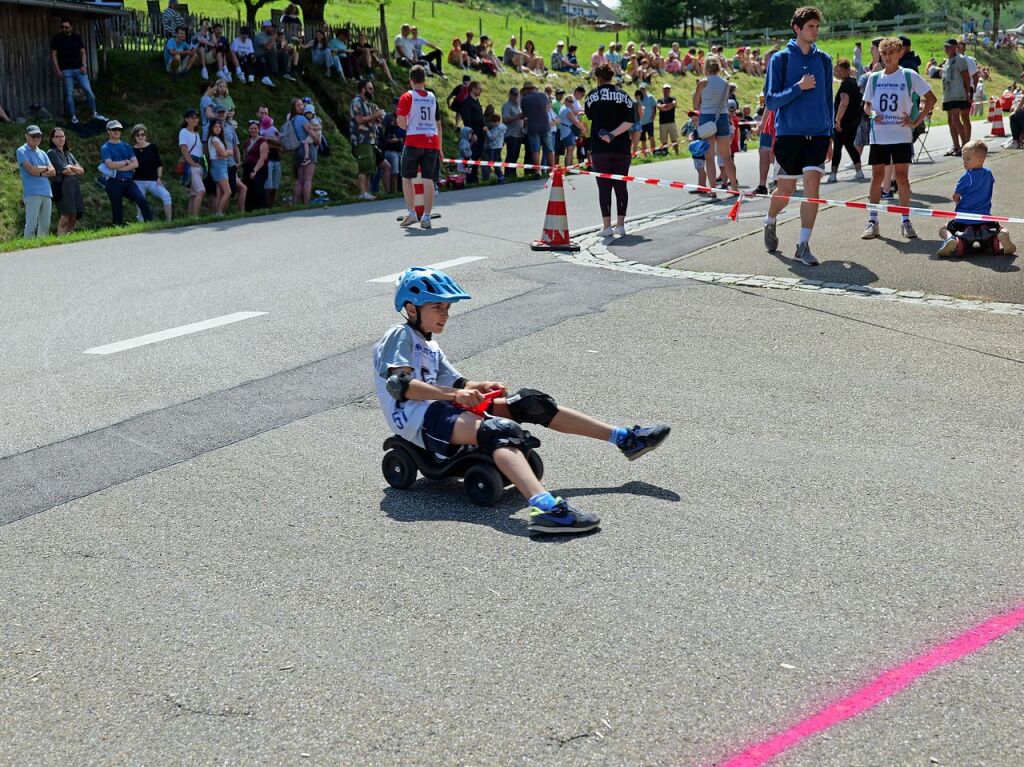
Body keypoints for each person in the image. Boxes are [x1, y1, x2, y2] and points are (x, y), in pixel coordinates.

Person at [375, 266, 671, 535]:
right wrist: (456, 395)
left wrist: (481, 385)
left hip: (442, 408)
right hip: (417, 418)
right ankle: (544, 510)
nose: (444, 314)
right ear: (411, 308)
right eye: (436, 307)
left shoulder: (429, 344)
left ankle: (624, 439)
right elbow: (401, 386)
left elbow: (458, 383)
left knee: (531, 402)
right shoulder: (399, 335)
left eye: (447, 308)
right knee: (499, 431)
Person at [762, 6, 834, 267]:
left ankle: (803, 245)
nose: (815, 31)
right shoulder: (780, 59)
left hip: (818, 135)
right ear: (797, 28)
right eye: (810, 27)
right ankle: (770, 220)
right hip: (789, 134)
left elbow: (828, 100)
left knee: (812, 190)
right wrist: (798, 87)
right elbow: (771, 101)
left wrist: (830, 136)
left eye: (817, 26)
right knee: (787, 189)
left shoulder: (824, 59)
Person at [859, 37, 935, 241]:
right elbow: (866, 105)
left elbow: (931, 98)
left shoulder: (908, 75)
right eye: (884, 53)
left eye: (892, 52)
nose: (888, 57)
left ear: (900, 53)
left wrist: (916, 119)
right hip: (879, 136)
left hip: (901, 135)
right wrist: (873, 115)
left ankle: (905, 221)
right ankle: (872, 221)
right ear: (880, 55)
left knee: (902, 178)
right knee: (877, 178)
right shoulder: (874, 78)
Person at [936, 140, 1015, 256]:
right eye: (963, 158)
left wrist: (957, 202)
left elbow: (955, 196)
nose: (964, 162)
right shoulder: (988, 174)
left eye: (968, 158)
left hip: (963, 219)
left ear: (980, 159)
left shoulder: (967, 176)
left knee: (943, 229)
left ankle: (949, 239)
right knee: (1001, 227)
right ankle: (1004, 235)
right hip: (984, 218)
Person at [585, 63, 635, 238]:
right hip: (621, 147)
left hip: (599, 149)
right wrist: (613, 134)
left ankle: (606, 226)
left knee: (603, 187)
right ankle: (620, 225)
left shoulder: (591, 96)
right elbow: (630, 121)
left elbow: (590, 115)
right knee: (621, 186)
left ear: (598, 78)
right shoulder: (624, 95)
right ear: (611, 76)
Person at [396, 65, 442, 228]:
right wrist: (440, 147)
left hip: (414, 140)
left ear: (411, 80)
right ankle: (427, 216)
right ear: (424, 80)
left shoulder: (407, 96)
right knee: (428, 178)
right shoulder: (432, 97)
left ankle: (411, 212)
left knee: (407, 176)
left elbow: (401, 121)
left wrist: (410, 126)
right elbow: (438, 124)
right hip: (432, 140)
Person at [693, 58, 737, 198]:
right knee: (726, 155)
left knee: (709, 157)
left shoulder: (702, 83)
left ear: (705, 67)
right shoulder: (725, 83)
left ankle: (713, 189)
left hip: (706, 117)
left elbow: (695, 103)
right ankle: (734, 187)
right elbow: (724, 102)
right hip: (722, 117)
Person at [50, 18, 104, 125]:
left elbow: (83, 52)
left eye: (66, 27)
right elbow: (54, 55)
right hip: (66, 70)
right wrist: (57, 69)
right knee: (69, 94)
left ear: (71, 27)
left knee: (88, 91)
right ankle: (73, 117)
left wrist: (84, 65)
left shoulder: (76, 37)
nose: (64, 29)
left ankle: (94, 113)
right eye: (62, 27)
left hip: (79, 69)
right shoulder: (57, 39)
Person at [100, 119, 153, 226]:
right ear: (108, 131)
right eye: (114, 129)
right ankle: (117, 230)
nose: (117, 131)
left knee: (141, 200)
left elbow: (135, 164)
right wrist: (125, 162)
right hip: (113, 182)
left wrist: (120, 168)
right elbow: (110, 165)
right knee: (117, 209)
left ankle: (151, 224)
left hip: (128, 181)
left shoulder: (126, 146)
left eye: (119, 129)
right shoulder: (105, 148)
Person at [827, 58, 865, 183]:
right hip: (853, 121)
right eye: (835, 71)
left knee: (837, 147)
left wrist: (837, 120)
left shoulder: (846, 86)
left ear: (846, 71)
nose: (836, 73)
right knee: (849, 145)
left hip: (844, 122)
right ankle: (859, 171)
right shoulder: (853, 83)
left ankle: (833, 174)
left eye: (839, 71)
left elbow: (844, 103)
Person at [17, 125, 55, 239]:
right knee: (31, 224)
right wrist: (43, 171)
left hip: (47, 192)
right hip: (32, 192)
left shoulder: (43, 152)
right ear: (26, 136)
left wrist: (39, 171)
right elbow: (31, 170)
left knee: (45, 225)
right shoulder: (21, 150)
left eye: (38, 136)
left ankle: (41, 250)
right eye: (33, 136)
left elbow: (53, 171)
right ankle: (27, 249)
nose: (36, 138)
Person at [130, 123, 172, 222]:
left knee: (166, 196)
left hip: (153, 180)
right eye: (138, 135)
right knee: (139, 202)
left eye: (142, 134)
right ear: (134, 137)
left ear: (146, 135)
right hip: (138, 181)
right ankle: (141, 224)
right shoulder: (131, 150)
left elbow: (159, 164)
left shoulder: (153, 147)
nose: (140, 136)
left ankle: (169, 221)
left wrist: (159, 177)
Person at [46, 127, 85, 235]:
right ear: (52, 139)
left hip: (74, 187)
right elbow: (65, 170)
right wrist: (72, 169)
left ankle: (71, 240)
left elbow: (81, 171)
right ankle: (60, 239)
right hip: (62, 188)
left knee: (74, 215)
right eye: (57, 137)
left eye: (62, 136)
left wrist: (71, 167)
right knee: (65, 216)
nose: (60, 139)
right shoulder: (51, 153)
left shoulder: (69, 154)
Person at [350, 81, 385, 201]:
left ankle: (367, 192)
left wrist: (378, 118)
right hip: (361, 139)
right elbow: (359, 120)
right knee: (364, 166)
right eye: (370, 88)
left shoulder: (368, 104)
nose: (372, 91)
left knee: (370, 167)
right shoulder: (356, 102)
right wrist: (375, 116)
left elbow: (370, 120)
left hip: (370, 139)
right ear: (363, 89)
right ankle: (362, 192)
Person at [941, 38, 973, 156]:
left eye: (949, 46)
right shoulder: (947, 61)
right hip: (948, 94)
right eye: (945, 47)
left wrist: (968, 93)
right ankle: (956, 145)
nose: (946, 49)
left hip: (957, 93)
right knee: (950, 120)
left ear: (955, 47)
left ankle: (965, 146)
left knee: (956, 119)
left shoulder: (960, 59)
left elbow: (966, 77)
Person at [217, 104, 247, 213]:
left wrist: (238, 161)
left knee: (232, 189)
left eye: (223, 113)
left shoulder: (230, 127)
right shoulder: (212, 127)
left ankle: (239, 213)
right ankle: (220, 214)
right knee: (222, 190)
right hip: (219, 162)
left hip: (230, 163)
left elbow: (235, 146)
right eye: (219, 113)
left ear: (226, 114)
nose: (221, 115)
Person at [178, 109, 206, 216]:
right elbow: (184, 150)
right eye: (193, 117)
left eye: (197, 118)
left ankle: (189, 218)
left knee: (194, 194)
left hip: (198, 163)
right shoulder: (184, 132)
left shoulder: (196, 134)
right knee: (201, 191)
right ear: (187, 119)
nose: (195, 120)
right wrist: (192, 163)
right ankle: (195, 217)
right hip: (192, 165)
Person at [520, 81, 552, 171]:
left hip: (533, 127)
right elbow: (547, 108)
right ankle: (552, 170)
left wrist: (518, 116)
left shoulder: (524, 100)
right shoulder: (543, 95)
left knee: (535, 150)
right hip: (545, 125)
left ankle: (537, 171)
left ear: (526, 90)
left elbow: (524, 114)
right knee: (549, 149)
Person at [458, 81, 486, 183]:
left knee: (477, 155)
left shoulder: (477, 101)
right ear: (473, 89)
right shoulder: (467, 102)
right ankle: (470, 178)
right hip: (473, 132)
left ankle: (475, 176)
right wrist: (472, 133)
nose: (480, 90)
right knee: (471, 155)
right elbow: (467, 119)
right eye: (479, 88)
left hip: (481, 132)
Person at [242, 120, 269, 210]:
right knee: (248, 188)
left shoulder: (262, 141)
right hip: (248, 167)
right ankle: (249, 209)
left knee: (258, 186)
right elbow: (245, 156)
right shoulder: (247, 142)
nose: (253, 130)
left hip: (259, 168)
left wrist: (255, 170)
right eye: (251, 128)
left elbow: (263, 157)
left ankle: (261, 208)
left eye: (255, 128)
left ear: (259, 129)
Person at [258, 114, 282, 206]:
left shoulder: (272, 130)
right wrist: (276, 146)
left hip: (277, 160)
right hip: (268, 161)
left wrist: (270, 140)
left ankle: (271, 206)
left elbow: (280, 141)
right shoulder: (261, 132)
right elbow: (264, 143)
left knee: (275, 186)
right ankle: (265, 206)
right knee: (268, 186)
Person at [501, 87, 524, 175]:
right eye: (513, 94)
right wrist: (518, 116)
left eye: (517, 94)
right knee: (511, 154)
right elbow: (505, 119)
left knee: (516, 155)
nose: (515, 96)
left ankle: (513, 173)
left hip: (518, 133)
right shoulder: (507, 106)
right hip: (511, 134)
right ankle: (508, 173)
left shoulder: (518, 105)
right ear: (510, 95)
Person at [656, 84, 679, 155]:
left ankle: (677, 153)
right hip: (662, 123)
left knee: (674, 139)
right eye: (665, 89)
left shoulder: (672, 98)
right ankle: (666, 153)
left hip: (671, 122)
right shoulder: (660, 100)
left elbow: (674, 104)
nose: (666, 91)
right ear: (663, 90)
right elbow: (659, 107)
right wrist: (669, 106)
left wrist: (665, 107)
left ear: (670, 90)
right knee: (664, 140)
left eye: (668, 89)